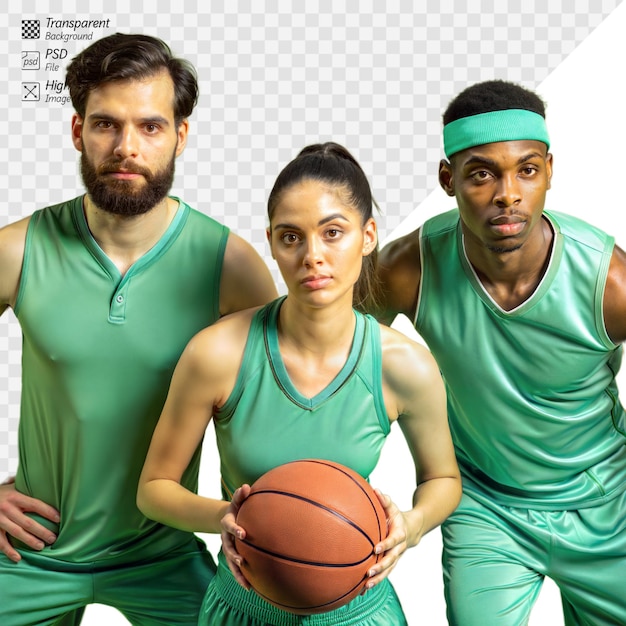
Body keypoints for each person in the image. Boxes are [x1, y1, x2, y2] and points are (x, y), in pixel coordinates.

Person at [0, 33, 277, 625]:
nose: (127, 147)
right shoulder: (18, 250)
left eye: (150, 127)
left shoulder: (228, 264)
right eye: (106, 125)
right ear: (78, 131)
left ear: (180, 135)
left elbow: (282, 403)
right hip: (33, 549)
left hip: (166, 551)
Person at [137, 142, 462, 625]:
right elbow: (153, 489)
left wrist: (411, 525)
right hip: (242, 609)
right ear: (270, 241)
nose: (313, 256)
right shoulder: (217, 353)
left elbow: (443, 479)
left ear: (368, 235)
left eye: (333, 233)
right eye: (292, 237)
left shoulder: (404, 365)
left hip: (361, 611)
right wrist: (221, 517)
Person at [377, 79, 626, 626]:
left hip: (604, 503)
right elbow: (324, 341)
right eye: (483, 173)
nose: (507, 194)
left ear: (550, 173)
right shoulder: (409, 266)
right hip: (485, 504)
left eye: (527, 171)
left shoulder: (609, 282)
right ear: (449, 180)